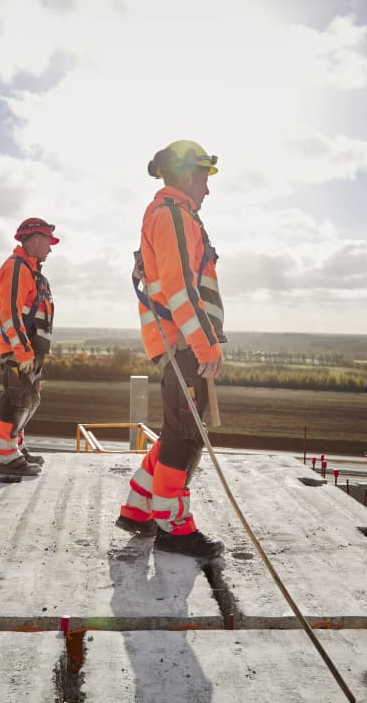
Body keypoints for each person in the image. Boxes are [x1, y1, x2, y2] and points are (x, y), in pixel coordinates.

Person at [115, 140, 226, 558]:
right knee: (185, 437)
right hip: (184, 344)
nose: (207, 189)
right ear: (185, 175)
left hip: (179, 343)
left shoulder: (173, 215)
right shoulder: (173, 216)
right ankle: (174, 528)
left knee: (176, 431)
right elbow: (180, 290)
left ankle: (138, 509)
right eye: (203, 177)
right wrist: (206, 346)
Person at [0, 217, 57, 477]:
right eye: (49, 243)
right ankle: (7, 457)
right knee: (16, 401)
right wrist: (22, 351)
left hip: (31, 351)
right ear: (37, 240)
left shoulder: (32, 271)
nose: (50, 249)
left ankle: (16, 448)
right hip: (21, 352)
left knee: (29, 400)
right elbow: (10, 313)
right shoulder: (16, 268)